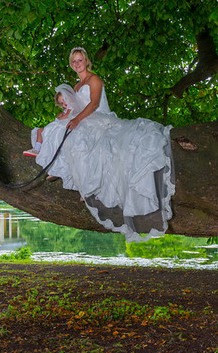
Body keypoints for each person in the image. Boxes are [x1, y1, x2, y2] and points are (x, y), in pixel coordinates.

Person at [34, 47, 175, 241]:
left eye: (80, 60)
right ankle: (57, 166)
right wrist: (67, 118)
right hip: (83, 119)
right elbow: (71, 108)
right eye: (74, 61)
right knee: (59, 129)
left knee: (81, 138)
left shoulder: (94, 80)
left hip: (97, 118)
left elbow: (92, 104)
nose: (77, 64)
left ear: (86, 61)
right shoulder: (75, 86)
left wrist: (77, 120)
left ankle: (85, 186)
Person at [23, 87, 76, 157]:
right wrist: (59, 116)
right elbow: (60, 118)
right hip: (59, 124)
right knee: (40, 131)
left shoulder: (71, 106)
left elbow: (67, 116)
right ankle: (37, 149)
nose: (64, 103)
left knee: (42, 131)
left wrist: (59, 118)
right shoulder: (65, 110)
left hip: (64, 125)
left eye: (64, 99)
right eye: (61, 103)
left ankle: (37, 149)